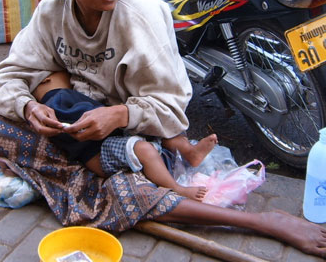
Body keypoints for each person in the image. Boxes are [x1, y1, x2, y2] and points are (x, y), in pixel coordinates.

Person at [0, 0, 326, 260]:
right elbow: (5, 78)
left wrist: (120, 114)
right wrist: (29, 108)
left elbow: (171, 108)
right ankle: (75, 166)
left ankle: (265, 222)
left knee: (132, 192)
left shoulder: (142, 15)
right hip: (77, 126)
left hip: (140, 136)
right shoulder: (51, 12)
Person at [30, 70, 217, 201]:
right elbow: (82, 124)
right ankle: (176, 189)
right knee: (143, 149)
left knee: (162, 129)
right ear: (47, 81)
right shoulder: (57, 100)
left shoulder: (60, 99)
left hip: (114, 135)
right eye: (63, 74)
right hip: (97, 151)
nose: (70, 77)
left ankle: (190, 153)